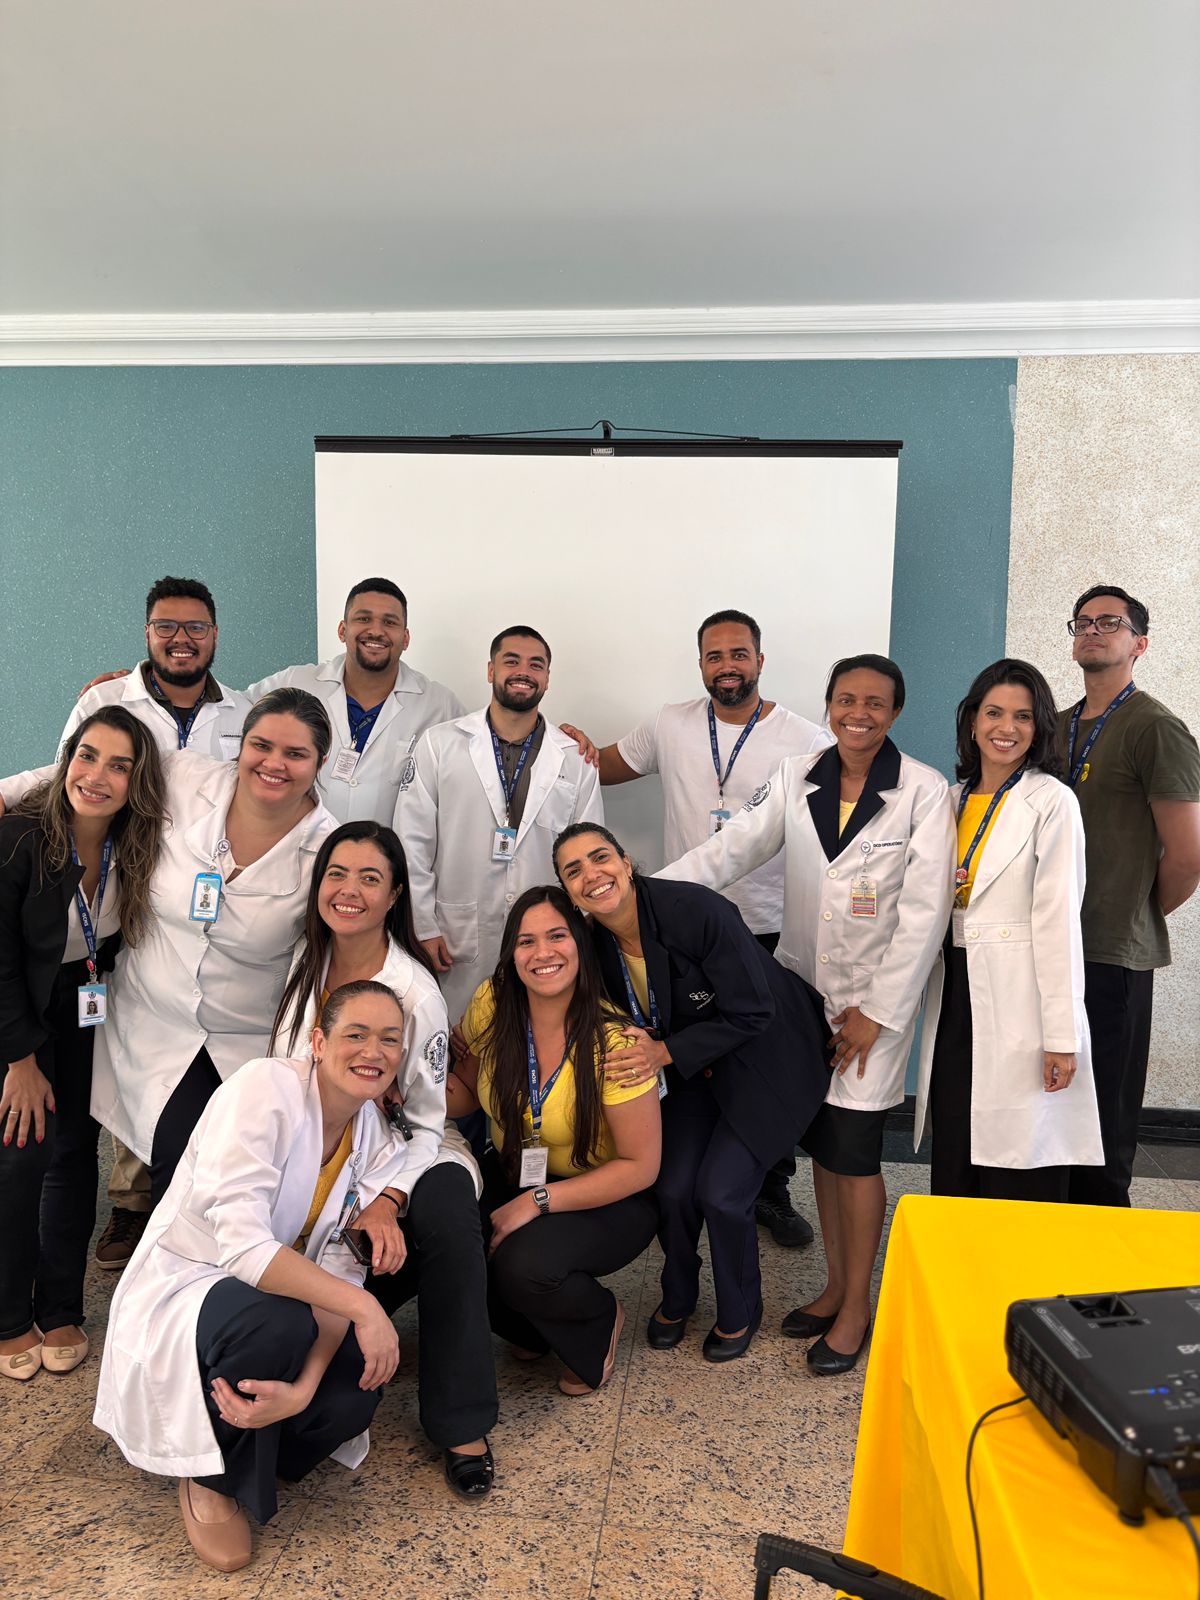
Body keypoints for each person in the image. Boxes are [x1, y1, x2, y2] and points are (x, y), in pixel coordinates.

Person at [662, 655, 953, 1373]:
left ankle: (858, 1307)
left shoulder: (922, 790)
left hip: (871, 1006)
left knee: (854, 1151)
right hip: (801, 996)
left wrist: (877, 1012)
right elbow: (731, 850)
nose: (860, 713)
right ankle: (834, 1287)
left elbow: (925, 915)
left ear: (895, 712)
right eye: (847, 699)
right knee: (824, 1143)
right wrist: (640, 897)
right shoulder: (797, 776)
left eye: (876, 702)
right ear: (829, 706)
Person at [93, 982, 416, 1573]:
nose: (374, 1050)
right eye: (356, 1034)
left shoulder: (374, 1136)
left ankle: (261, 1441)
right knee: (280, 1324)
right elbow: (243, 1250)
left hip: (283, 1302)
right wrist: (367, 1309)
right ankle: (210, 1478)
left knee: (354, 1393)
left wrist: (305, 1388)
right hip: (195, 1282)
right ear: (318, 1042)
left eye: (390, 1039)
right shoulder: (263, 1090)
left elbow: (339, 1270)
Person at [560, 609, 832, 1251]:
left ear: (760, 661)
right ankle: (686, 1176)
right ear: (701, 663)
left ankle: (770, 1187)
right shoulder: (670, 723)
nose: (727, 666)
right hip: (681, 929)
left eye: (739, 654)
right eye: (715, 656)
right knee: (689, 1055)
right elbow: (605, 766)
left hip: (766, 924)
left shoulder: (807, 740)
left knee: (762, 1060)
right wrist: (568, 748)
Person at [271, 820, 498, 1497]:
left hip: (407, 1146)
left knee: (450, 1219)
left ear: (395, 894)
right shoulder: (306, 959)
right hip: (318, 1145)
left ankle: (462, 1422)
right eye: (337, 874)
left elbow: (428, 1123)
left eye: (370, 879)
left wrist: (388, 1199)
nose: (349, 890)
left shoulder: (414, 991)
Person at [554, 825, 831, 1364]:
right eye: (574, 870)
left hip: (765, 1057)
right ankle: (678, 1294)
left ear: (626, 862)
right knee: (673, 1187)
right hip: (690, 1069)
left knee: (722, 1193)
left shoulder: (696, 910)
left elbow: (754, 1010)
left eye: (600, 857)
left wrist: (664, 1051)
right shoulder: (592, 944)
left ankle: (740, 1308)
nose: (592, 875)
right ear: (569, 891)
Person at [62, 577, 251, 1270]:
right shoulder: (105, 700)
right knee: (129, 1047)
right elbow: (70, 782)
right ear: (147, 633)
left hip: (199, 903)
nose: (181, 639)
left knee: (179, 1046)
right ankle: (131, 1200)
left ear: (215, 635)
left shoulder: (243, 710)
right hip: (119, 893)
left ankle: (185, 1205)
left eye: (196, 627)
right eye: (166, 626)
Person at [0, 708, 165, 1382]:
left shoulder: (138, 846)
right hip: (17, 1005)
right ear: (66, 760)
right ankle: (9, 1317)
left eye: (119, 765)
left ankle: (62, 1307)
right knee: (21, 1157)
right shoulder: (18, 839)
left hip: (83, 1000)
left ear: (137, 782)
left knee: (73, 1151)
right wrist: (20, 1059)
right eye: (88, 756)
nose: (97, 776)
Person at [455, 886, 661, 1394]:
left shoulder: (616, 1040)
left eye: (557, 936)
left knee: (522, 1266)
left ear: (581, 944)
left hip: (608, 1194)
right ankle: (534, 1327)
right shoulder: (492, 1002)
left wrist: (537, 1202)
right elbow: (465, 1093)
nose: (542, 953)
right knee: (453, 1246)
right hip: (516, 1170)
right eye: (526, 941)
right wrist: (393, 1092)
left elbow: (641, 1165)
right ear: (511, 952)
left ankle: (598, 1320)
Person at [914, 660, 1104, 1199]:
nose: (1007, 727)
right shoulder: (948, 800)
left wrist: (1062, 1037)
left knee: (1020, 1157)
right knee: (956, 1145)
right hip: (955, 992)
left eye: (1023, 716)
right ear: (973, 721)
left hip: (1022, 996)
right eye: (994, 713)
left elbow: (1059, 923)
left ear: (1039, 727)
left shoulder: (1052, 802)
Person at [1058, 586, 1200, 1206]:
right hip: (1049, 944)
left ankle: (1101, 1241)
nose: (1093, 630)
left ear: (1139, 643)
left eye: (1109, 622)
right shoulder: (1055, 726)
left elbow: (1188, 856)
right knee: (1053, 1109)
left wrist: (1133, 912)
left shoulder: (1156, 728)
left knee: (1103, 1118)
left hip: (1111, 954)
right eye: (1083, 622)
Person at [394, 625, 603, 1026]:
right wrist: (422, 926)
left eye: (536, 665)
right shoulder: (440, 744)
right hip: (455, 935)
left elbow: (588, 858)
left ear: (547, 678)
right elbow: (411, 842)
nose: (523, 671)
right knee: (458, 1041)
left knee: (534, 1039)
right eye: (511, 661)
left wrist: (578, 938)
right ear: (491, 670)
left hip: (543, 940)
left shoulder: (575, 759)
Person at [247, 578, 465, 825]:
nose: (376, 631)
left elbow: (466, 781)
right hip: (301, 844)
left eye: (389, 622)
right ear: (342, 630)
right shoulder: (295, 682)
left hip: (391, 848)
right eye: (363, 618)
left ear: (405, 638)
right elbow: (231, 712)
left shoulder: (439, 705)